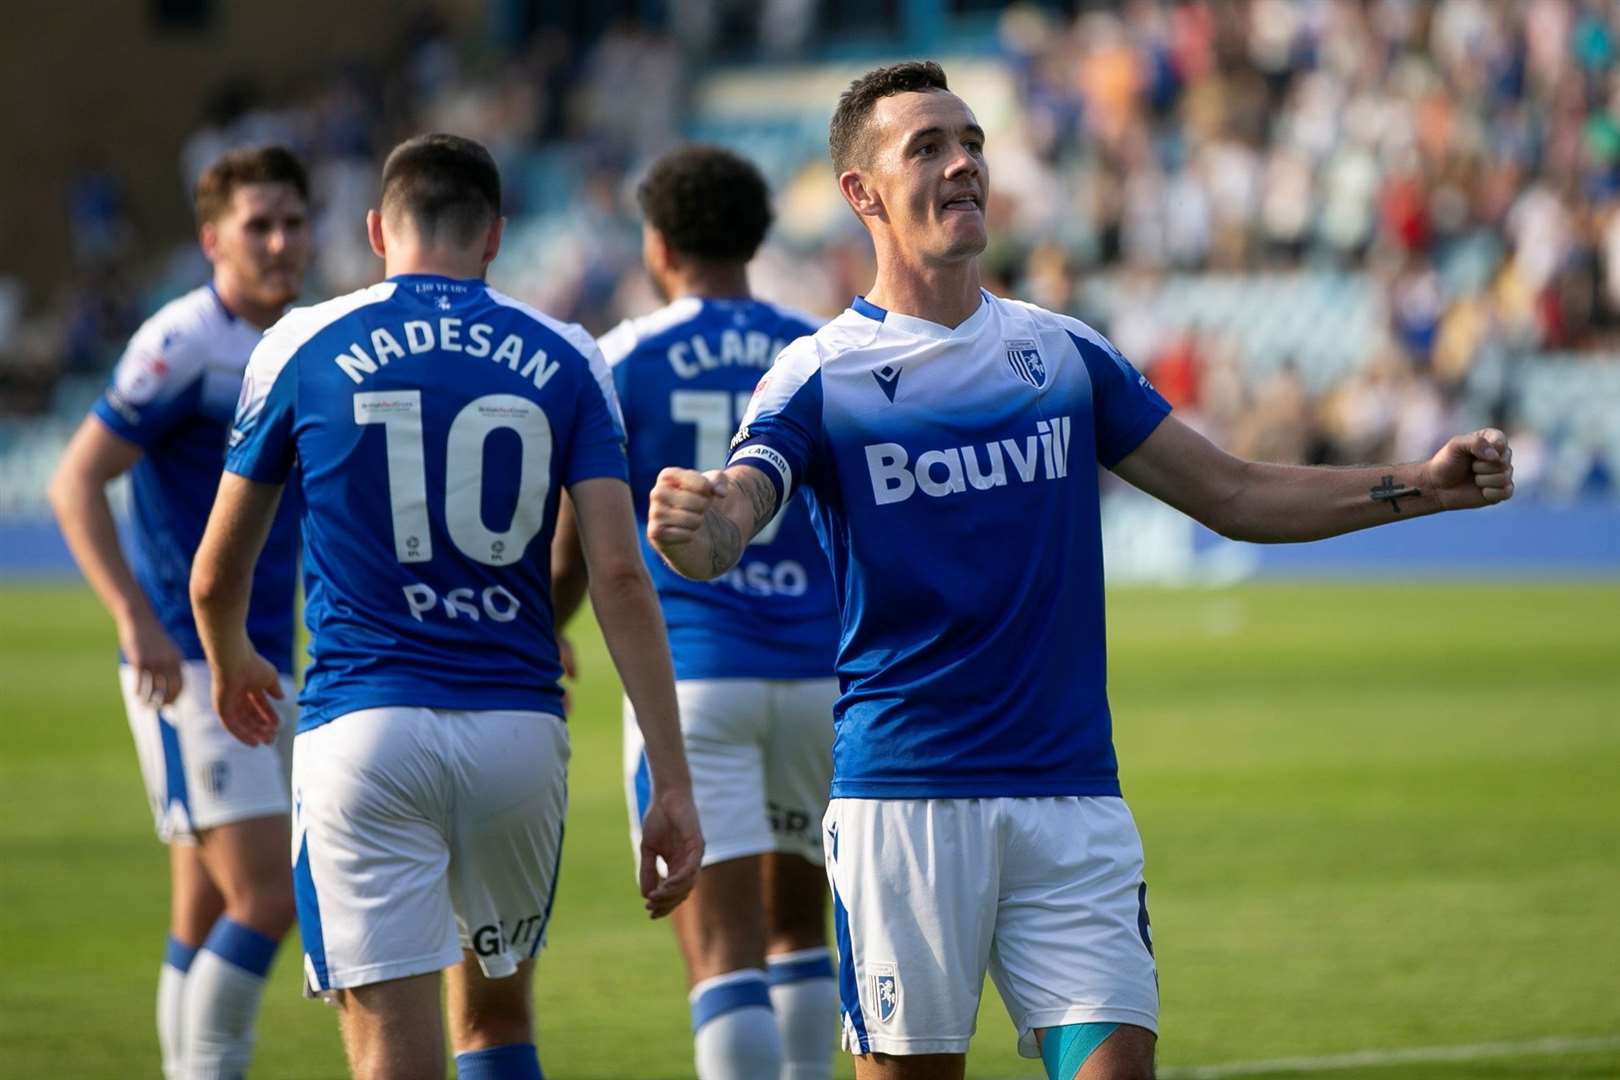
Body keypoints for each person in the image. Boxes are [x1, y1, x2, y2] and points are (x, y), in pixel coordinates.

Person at [644, 62, 1516, 1080]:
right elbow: (741, 505)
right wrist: (699, 530)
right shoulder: (820, 371)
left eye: (971, 140)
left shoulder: (1061, 355)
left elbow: (1230, 493)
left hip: (1073, 804)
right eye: (928, 146)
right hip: (906, 804)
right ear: (861, 193)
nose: (964, 162)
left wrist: (1421, 484)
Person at [189, 133, 703, 1080]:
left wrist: (231, 661)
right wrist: (671, 778)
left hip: (364, 726)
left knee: (390, 1039)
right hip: (516, 727)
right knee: (499, 1021)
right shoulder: (568, 354)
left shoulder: (302, 342)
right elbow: (621, 576)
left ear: (379, 230)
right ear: (497, 236)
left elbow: (216, 575)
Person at [552, 145, 840, 1080]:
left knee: (724, 963)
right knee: (802, 935)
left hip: (695, 682)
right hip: (820, 678)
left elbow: (575, 549)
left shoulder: (619, 359)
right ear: (756, 236)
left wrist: (547, 629)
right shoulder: (819, 348)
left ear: (658, 242)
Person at [47, 146, 311, 1080]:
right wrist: (134, 618)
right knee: (271, 897)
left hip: (260, 658)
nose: (279, 241)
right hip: (191, 664)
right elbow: (76, 479)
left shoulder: (308, 339)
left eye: (292, 219)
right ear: (212, 240)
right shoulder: (184, 342)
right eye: (257, 224)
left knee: (199, 914)